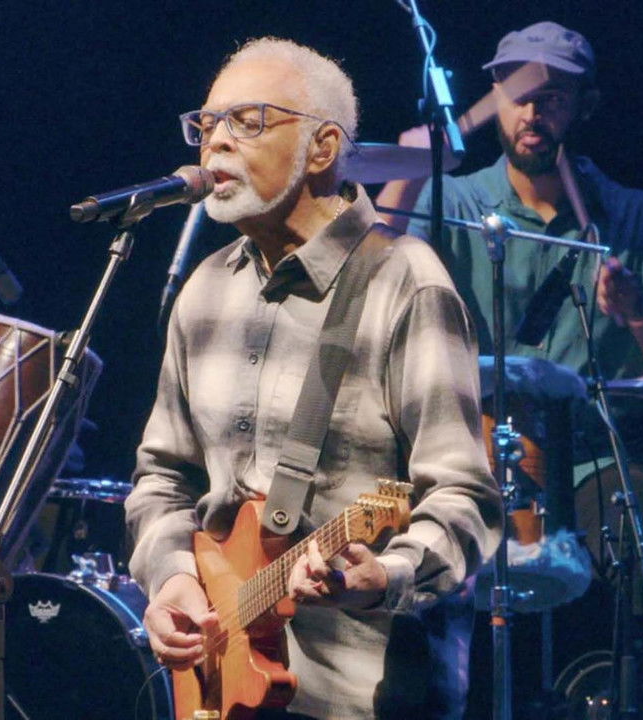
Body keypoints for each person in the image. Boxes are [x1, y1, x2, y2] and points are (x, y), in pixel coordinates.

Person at [124, 37, 503, 720]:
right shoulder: (204, 294)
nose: (215, 145)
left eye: (246, 121)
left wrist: (383, 574)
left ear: (323, 147)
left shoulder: (404, 283)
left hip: (365, 696)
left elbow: (466, 496)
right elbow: (161, 479)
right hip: (222, 687)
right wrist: (173, 579)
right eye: (205, 125)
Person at [377, 21, 643, 530]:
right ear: (496, 102)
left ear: (587, 105)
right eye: (518, 96)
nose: (532, 113)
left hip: (597, 460)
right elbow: (366, 287)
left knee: (637, 522)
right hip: (468, 454)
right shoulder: (448, 204)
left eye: (553, 97)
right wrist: (405, 173)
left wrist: (641, 314)